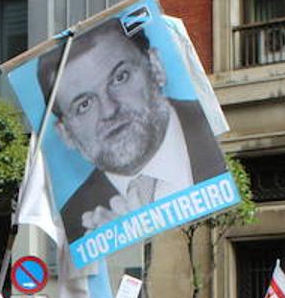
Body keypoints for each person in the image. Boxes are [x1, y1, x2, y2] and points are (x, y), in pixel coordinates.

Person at [35, 17, 226, 244]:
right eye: (84, 105)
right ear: (66, 134)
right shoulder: (76, 225)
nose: (109, 110)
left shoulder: (223, 153)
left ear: (155, 67)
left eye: (120, 77)